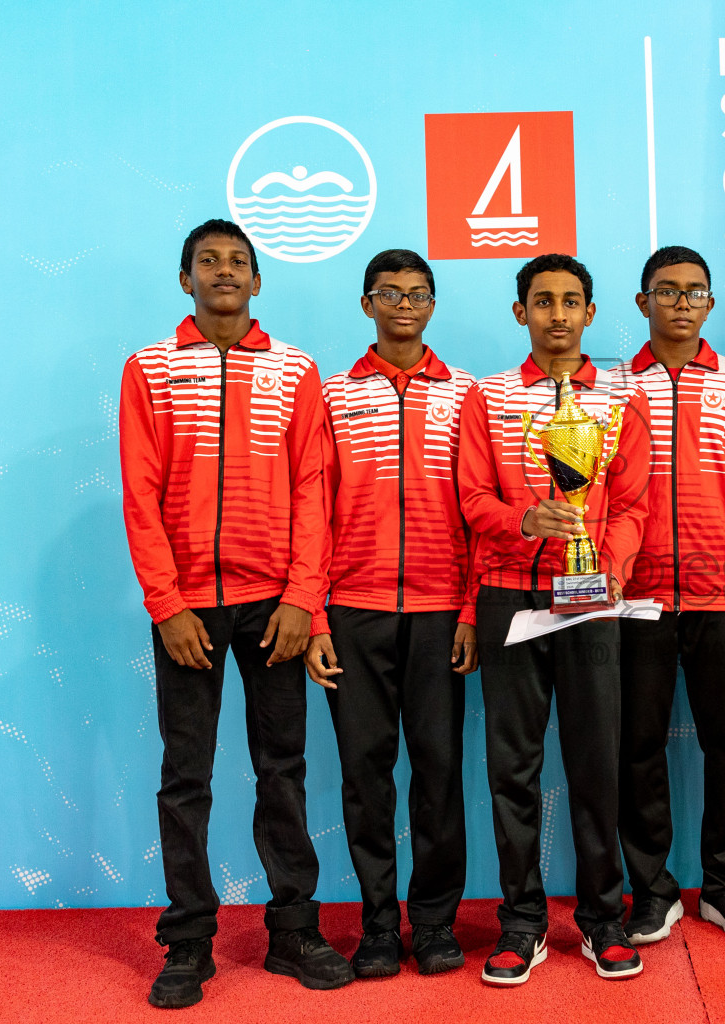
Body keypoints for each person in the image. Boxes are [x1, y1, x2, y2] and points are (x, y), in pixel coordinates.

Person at [119, 219, 351, 1008]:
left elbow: (313, 489)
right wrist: (168, 603)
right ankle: (187, 944)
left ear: (258, 284)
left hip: (272, 608)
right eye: (208, 261)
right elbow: (140, 496)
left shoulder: (295, 372)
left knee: (282, 772)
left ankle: (293, 932)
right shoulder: (149, 369)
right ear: (185, 280)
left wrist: (300, 598)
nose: (224, 271)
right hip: (186, 610)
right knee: (185, 778)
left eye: (238, 262)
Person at [457, 253, 652, 984]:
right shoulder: (491, 397)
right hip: (510, 593)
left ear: (592, 314)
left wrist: (605, 565)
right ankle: (523, 922)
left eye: (572, 302)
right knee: (514, 767)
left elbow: (635, 506)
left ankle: (604, 919)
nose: (559, 315)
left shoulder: (619, 400)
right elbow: (473, 499)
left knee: (596, 761)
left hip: (590, 596)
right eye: (543, 302)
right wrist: (522, 522)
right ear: (521, 314)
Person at [304, 249, 477, 978]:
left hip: (441, 612)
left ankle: (434, 923)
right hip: (354, 612)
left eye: (418, 293)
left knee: (438, 772)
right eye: (389, 293)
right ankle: (378, 926)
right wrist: (314, 617)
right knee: (363, 775)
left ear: (433, 304)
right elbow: (309, 506)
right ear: (366, 302)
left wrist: (470, 610)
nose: (404, 304)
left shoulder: (466, 394)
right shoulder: (335, 395)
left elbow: (477, 507)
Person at [608, 245, 725, 946]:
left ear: (710, 305)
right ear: (642, 303)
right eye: (666, 291)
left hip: (724, 595)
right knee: (636, 747)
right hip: (636, 596)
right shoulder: (609, 387)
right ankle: (651, 890)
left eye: (694, 292)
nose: (680, 302)